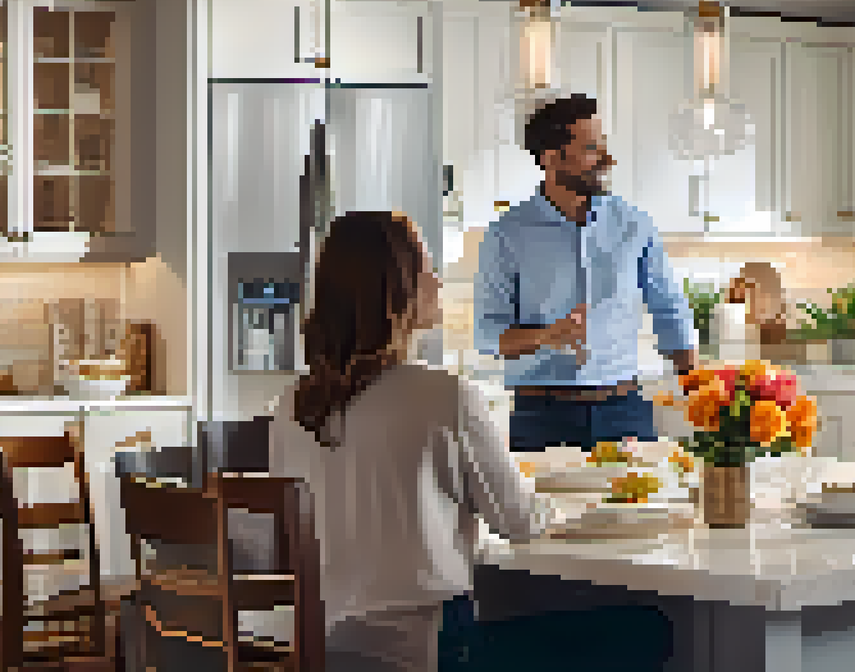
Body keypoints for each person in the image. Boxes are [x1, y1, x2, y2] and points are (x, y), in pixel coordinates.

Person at [266, 211, 550, 672]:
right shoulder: (446, 395)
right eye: (425, 268)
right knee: (642, 630)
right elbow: (519, 521)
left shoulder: (291, 405)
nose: (437, 281)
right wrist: (571, 505)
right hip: (426, 647)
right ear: (394, 290)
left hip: (325, 646)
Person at [474, 94, 699, 452]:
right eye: (591, 149)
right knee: (543, 509)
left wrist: (697, 387)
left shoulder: (634, 224)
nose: (607, 160)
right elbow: (488, 334)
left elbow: (668, 307)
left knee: (644, 507)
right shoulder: (507, 233)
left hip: (625, 410)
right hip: (541, 417)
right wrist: (549, 336)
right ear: (551, 157)